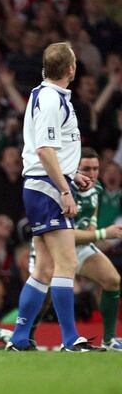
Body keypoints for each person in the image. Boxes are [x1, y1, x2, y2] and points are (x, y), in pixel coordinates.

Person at [7, 42, 102, 352]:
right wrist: (64, 189)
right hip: (47, 187)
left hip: (45, 183)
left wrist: (71, 174)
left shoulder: (48, 94)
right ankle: (70, 339)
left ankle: (19, 338)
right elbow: (45, 151)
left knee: (45, 267)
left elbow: (52, 150)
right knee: (67, 262)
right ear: (71, 69)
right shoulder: (50, 99)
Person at [28, 147, 122, 350]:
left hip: (80, 247)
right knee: (44, 296)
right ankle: (26, 337)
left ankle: (109, 339)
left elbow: (92, 215)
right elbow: (64, 236)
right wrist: (102, 234)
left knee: (112, 280)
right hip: (52, 250)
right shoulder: (65, 190)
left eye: (96, 168)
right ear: (74, 168)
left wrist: (93, 227)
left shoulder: (96, 187)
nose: (92, 174)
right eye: (86, 169)